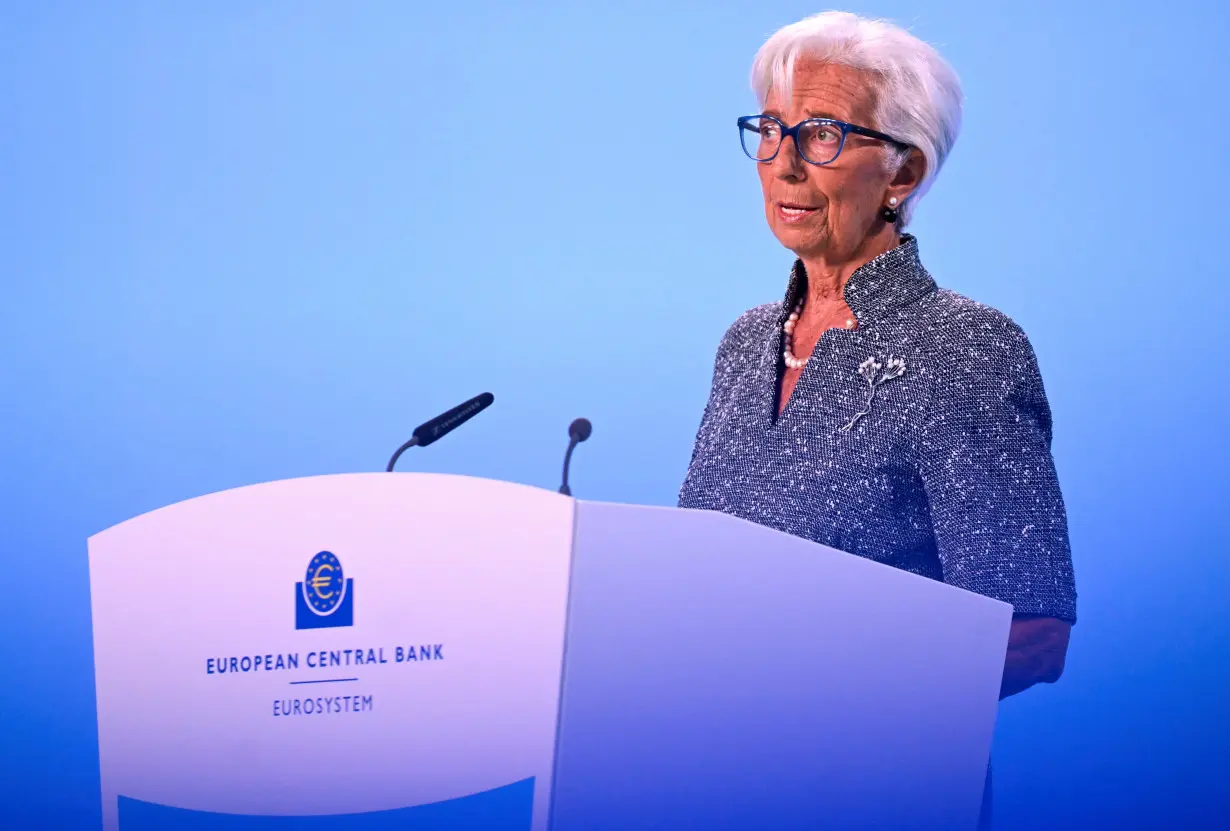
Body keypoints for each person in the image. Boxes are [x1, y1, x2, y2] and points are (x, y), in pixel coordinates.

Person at [676, 13, 1077, 822]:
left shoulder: (964, 347)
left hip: (875, 790)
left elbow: (1034, 632)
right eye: (771, 130)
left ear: (903, 171)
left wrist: (819, 685)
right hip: (712, 784)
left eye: (821, 134)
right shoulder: (746, 343)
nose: (784, 164)